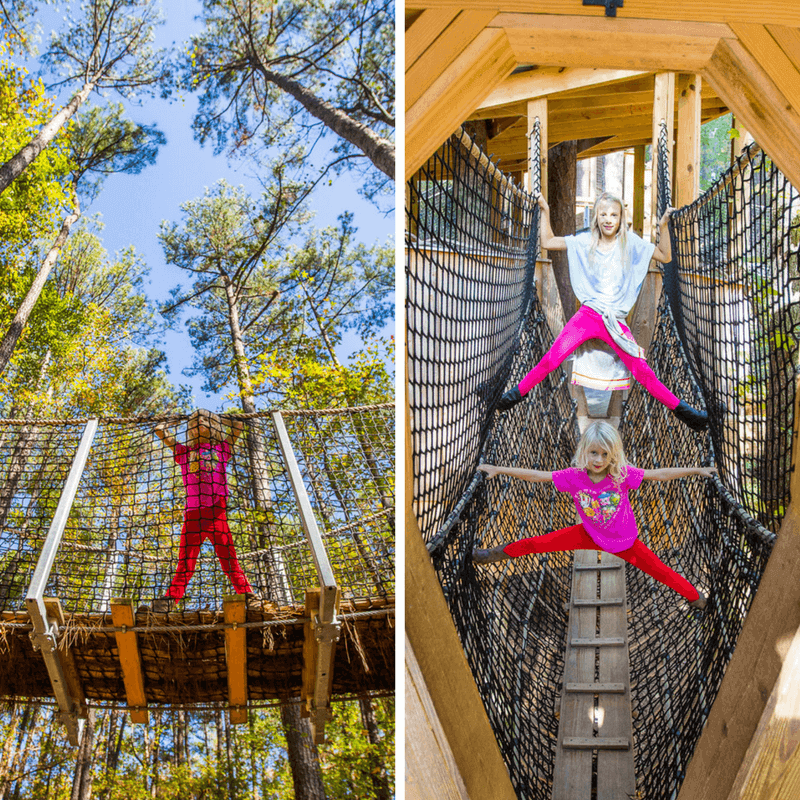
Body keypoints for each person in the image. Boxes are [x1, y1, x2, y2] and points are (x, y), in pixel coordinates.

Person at [498, 192, 708, 430]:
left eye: (614, 215)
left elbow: (665, 255)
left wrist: (663, 226)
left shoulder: (631, 243)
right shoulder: (585, 241)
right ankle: (510, 397)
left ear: (621, 218)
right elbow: (548, 242)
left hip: (614, 320)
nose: (609, 219)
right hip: (588, 315)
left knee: (641, 369)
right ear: (596, 217)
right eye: (603, 214)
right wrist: (544, 209)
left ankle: (687, 415)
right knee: (552, 357)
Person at [472, 421, 713, 609]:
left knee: (661, 570)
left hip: (624, 543)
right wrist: (500, 469)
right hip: (588, 534)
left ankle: (696, 598)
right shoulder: (573, 476)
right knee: (537, 543)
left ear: (613, 455)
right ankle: (492, 555)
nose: (599, 460)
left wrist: (696, 470)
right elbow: (537, 476)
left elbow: (659, 474)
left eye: (605, 454)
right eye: (594, 453)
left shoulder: (621, 474)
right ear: (584, 451)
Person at [141, 409, 257, 613]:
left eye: (204, 420)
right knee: (185, 563)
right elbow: (160, 431)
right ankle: (169, 601)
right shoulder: (184, 453)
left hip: (216, 514)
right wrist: (171, 421)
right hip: (193, 516)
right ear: (190, 430)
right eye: (195, 421)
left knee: (229, 560)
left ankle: (249, 597)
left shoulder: (222, 448)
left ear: (214, 426)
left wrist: (221, 418)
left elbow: (238, 426)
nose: (199, 422)